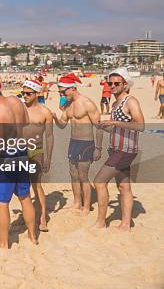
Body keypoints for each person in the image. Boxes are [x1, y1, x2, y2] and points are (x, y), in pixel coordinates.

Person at [0, 70, 38, 248]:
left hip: (7, 158)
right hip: (22, 153)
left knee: (2, 203)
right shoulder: (16, 101)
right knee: (25, 197)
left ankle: (3, 243)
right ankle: (33, 236)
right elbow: (25, 122)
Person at [94, 68, 144, 231]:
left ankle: (101, 222)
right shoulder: (115, 103)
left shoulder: (130, 101)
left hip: (125, 150)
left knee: (99, 182)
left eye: (116, 83)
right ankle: (126, 224)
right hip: (117, 149)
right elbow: (119, 129)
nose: (112, 86)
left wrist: (114, 123)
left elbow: (140, 125)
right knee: (124, 187)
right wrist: (105, 126)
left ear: (125, 84)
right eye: (110, 83)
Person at [52, 73, 102, 216]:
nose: (61, 94)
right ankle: (77, 202)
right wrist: (55, 118)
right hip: (73, 142)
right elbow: (62, 125)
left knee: (83, 175)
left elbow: (99, 127)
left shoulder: (87, 103)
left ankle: (86, 206)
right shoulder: (67, 105)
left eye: (63, 91)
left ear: (73, 88)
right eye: (60, 92)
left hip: (86, 143)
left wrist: (98, 148)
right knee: (73, 174)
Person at [22, 79, 54, 232]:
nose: (25, 96)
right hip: (20, 152)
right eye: (23, 93)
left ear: (36, 94)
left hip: (36, 152)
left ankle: (42, 217)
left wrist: (48, 157)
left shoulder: (44, 112)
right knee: (22, 186)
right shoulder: (19, 109)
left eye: (28, 93)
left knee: (36, 185)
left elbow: (49, 137)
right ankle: (28, 215)